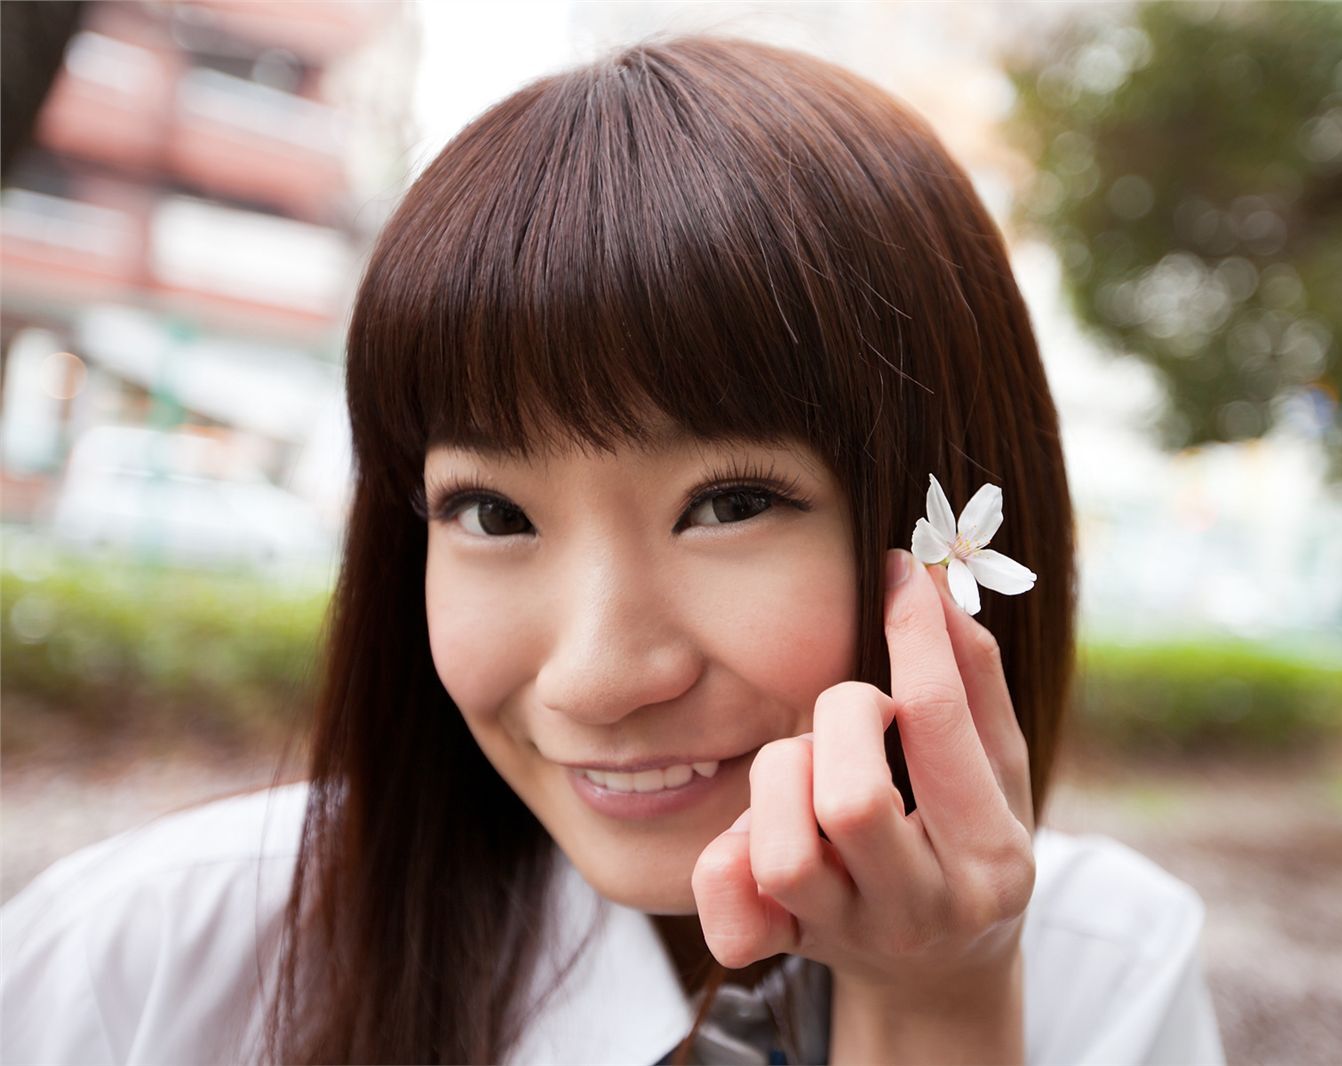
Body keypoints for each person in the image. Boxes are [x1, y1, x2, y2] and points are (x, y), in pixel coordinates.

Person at [0, 32, 1226, 1066]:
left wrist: (940, 1007)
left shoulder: (1106, 972)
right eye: (492, 514)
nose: (596, 677)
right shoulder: (141, 967)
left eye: (729, 503)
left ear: (946, 524)